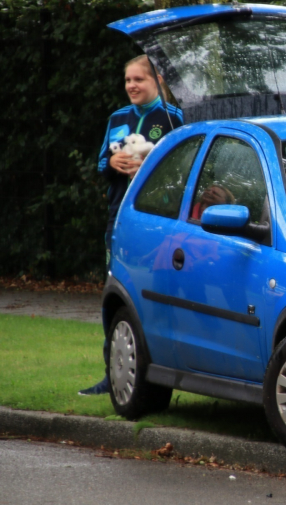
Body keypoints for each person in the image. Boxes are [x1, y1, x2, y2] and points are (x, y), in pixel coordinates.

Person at [79, 55, 184, 396]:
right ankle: (114, 374)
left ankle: (162, 374)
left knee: (156, 293)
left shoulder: (173, 119)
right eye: (127, 80)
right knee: (117, 293)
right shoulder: (117, 118)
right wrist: (112, 162)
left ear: (157, 82)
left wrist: (151, 173)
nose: (132, 86)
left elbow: (184, 172)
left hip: (160, 223)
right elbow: (100, 167)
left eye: (139, 79)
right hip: (119, 220)